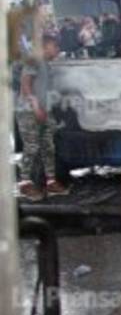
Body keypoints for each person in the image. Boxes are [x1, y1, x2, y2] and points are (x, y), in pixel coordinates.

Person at [14, 34, 68, 201]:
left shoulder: (45, 64)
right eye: (55, 46)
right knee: (31, 147)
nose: (57, 50)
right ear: (45, 46)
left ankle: (51, 182)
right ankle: (24, 184)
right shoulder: (34, 61)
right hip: (28, 111)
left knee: (48, 146)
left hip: (44, 111)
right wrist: (35, 105)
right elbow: (25, 83)